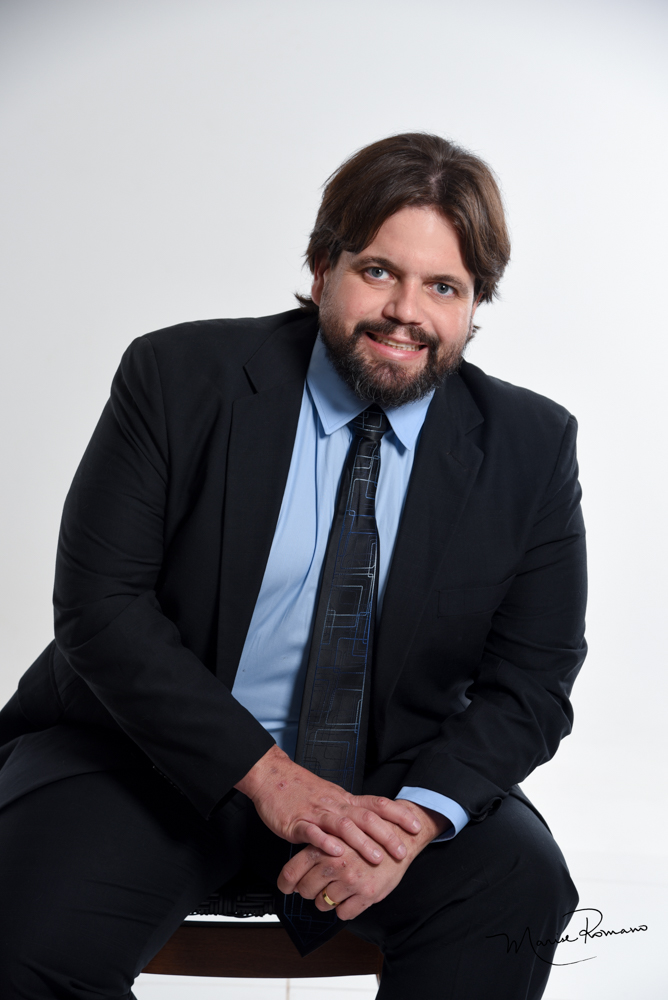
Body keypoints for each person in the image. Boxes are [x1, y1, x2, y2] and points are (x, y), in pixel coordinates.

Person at [0, 133, 586, 999]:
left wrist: (414, 822)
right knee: (26, 936)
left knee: (517, 887)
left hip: (388, 784)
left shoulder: (530, 446)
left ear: (474, 307)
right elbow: (102, 608)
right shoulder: (176, 376)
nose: (406, 312)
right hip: (142, 755)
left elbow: (531, 683)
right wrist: (272, 779)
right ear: (321, 269)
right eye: (379, 272)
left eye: (444, 287)